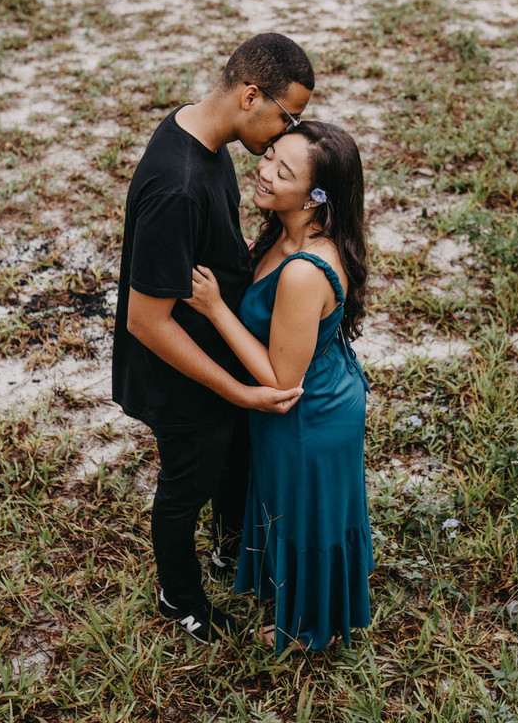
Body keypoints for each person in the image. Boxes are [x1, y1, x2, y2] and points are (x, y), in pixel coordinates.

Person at [111, 33, 313, 645]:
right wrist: (237, 391)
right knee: (187, 484)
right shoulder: (178, 185)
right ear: (252, 96)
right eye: (288, 116)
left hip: (215, 349)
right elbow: (145, 320)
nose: (286, 133)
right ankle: (181, 597)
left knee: (232, 461)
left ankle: (232, 557)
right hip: (182, 376)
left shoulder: (202, 136)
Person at [184, 120, 373, 654]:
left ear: (316, 199)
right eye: (269, 155)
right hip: (311, 391)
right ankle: (300, 603)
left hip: (308, 410)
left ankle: (310, 627)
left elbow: (280, 380)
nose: (262, 170)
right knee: (290, 506)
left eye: (281, 171)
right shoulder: (285, 234)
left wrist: (217, 308)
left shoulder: (304, 270)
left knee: (307, 516)